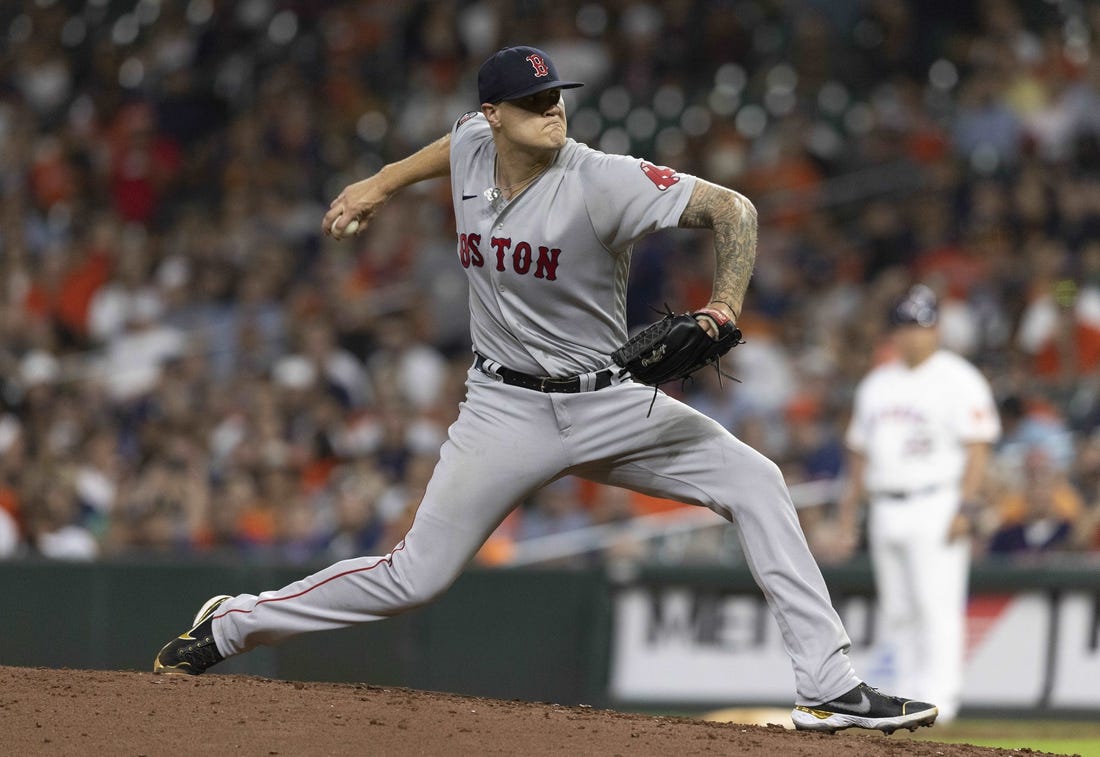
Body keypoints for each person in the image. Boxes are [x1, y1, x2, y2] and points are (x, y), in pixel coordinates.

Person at [153, 45, 937, 735]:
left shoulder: (601, 179)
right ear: (492, 114)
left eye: (554, 95)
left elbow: (736, 210)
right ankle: (233, 626)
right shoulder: (469, 145)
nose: (550, 109)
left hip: (609, 400)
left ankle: (828, 687)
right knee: (414, 576)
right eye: (529, 102)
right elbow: (446, 148)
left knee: (758, 481)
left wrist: (724, 303)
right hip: (502, 408)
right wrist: (379, 183)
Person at [832, 284, 1001, 724]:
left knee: (936, 605)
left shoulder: (958, 377)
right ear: (894, 332)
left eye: (921, 326)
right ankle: (907, 698)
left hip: (937, 501)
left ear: (937, 329)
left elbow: (978, 447)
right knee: (898, 610)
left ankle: (941, 702)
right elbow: (859, 455)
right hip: (886, 505)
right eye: (906, 327)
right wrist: (849, 514)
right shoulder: (877, 383)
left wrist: (966, 507)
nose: (913, 336)